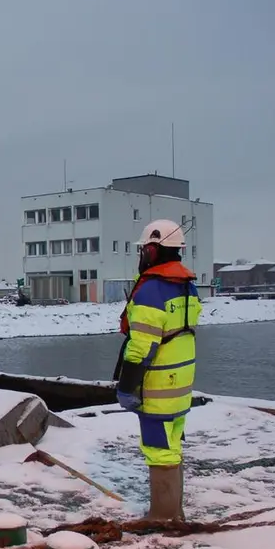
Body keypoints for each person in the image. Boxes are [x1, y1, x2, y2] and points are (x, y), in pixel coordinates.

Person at [113, 219, 202, 521]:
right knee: (172, 447)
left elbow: (141, 348)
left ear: (152, 250)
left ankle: (162, 518)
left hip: (158, 387)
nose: (140, 256)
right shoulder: (187, 285)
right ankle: (175, 513)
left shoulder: (151, 290)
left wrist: (126, 387)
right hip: (181, 384)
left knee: (158, 450)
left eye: (143, 250)